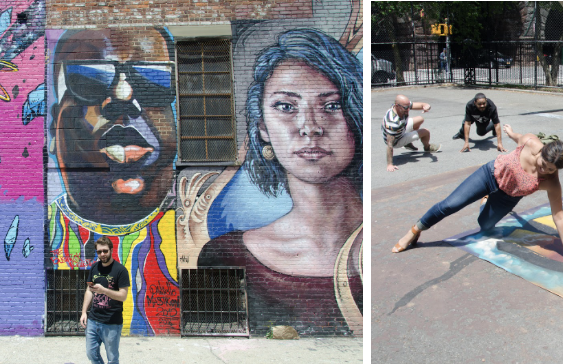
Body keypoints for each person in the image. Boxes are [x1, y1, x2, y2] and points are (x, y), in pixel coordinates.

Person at [197, 28, 363, 336]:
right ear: (262, 128)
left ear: (356, 116)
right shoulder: (225, 256)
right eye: (286, 107)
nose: (310, 127)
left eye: (331, 105)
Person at [46, 28, 180, 334]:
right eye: (90, 78)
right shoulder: (37, 234)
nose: (123, 96)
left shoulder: (207, 233)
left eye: (151, 79)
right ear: (53, 130)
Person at [393, 123, 563, 264]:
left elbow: (558, 215)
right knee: (451, 204)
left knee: (484, 225)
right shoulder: (530, 142)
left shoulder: (552, 182)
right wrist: (510, 133)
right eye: (544, 165)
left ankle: (486, 203)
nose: (544, 171)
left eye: (551, 169)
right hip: (489, 175)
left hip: (508, 196)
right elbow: (518, 137)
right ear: (541, 152)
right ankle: (415, 231)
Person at [81, 237, 130, 364]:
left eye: (105, 251)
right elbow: (89, 290)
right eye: (99, 252)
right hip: (93, 320)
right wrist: (84, 312)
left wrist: (104, 291)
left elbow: (123, 296)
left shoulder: (120, 270)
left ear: (111, 250)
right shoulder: (94, 268)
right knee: (91, 353)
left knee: (112, 358)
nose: (102, 254)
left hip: (111, 322)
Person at [383, 94, 440, 172]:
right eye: (406, 108)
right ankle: (427, 147)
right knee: (426, 132)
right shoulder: (393, 122)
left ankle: (408, 143)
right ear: (397, 106)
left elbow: (422, 105)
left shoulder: (401, 106)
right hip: (397, 140)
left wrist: (427, 106)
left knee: (420, 119)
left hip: (401, 128)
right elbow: (389, 144)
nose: (408, 109)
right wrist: (390, 164)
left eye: (408, 107)